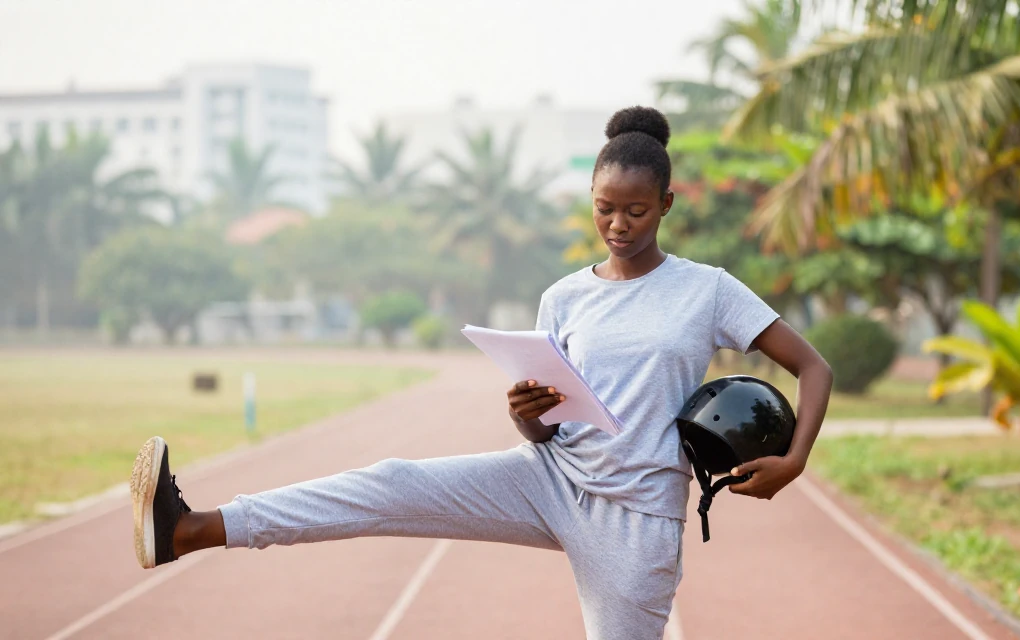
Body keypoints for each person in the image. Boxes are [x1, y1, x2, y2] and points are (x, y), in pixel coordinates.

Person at [129, 106, 834, 640]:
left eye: (637, 210)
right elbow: (541, 434)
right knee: (392, 484)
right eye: (604, 209)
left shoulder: (706, 289)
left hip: (637, 518)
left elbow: (813, 366)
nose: (618, 225)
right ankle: (191, 530)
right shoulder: (564, 296)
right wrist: (526, 410)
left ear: (668, 206)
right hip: (550, 480)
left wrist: (794, 460)